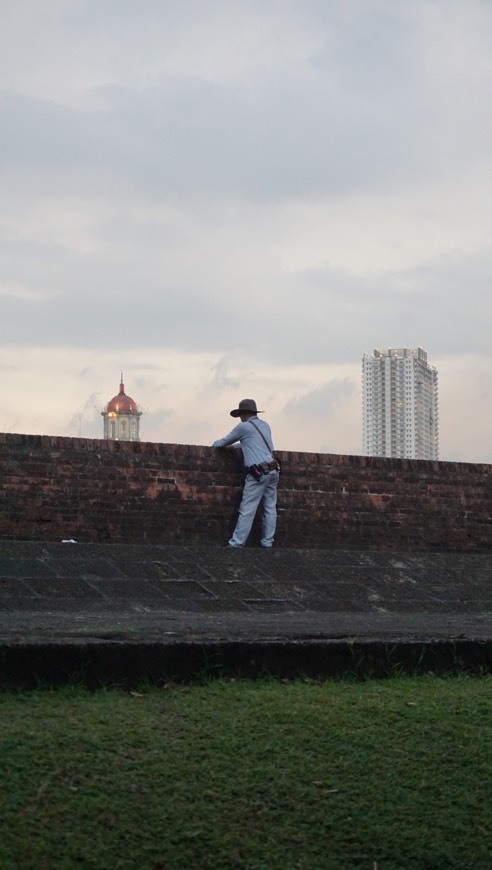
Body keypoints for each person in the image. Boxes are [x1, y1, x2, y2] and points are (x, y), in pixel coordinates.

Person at [213, 398, 280, 548]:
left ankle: (236, 543)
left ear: (243, 413)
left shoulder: (244, 427)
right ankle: (267, 542)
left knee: (248, 508)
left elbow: (223, 442)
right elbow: (252, 443)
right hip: (273, 469)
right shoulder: (265, 426)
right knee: (270, 507)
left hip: (259, 473)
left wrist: (214, 445)